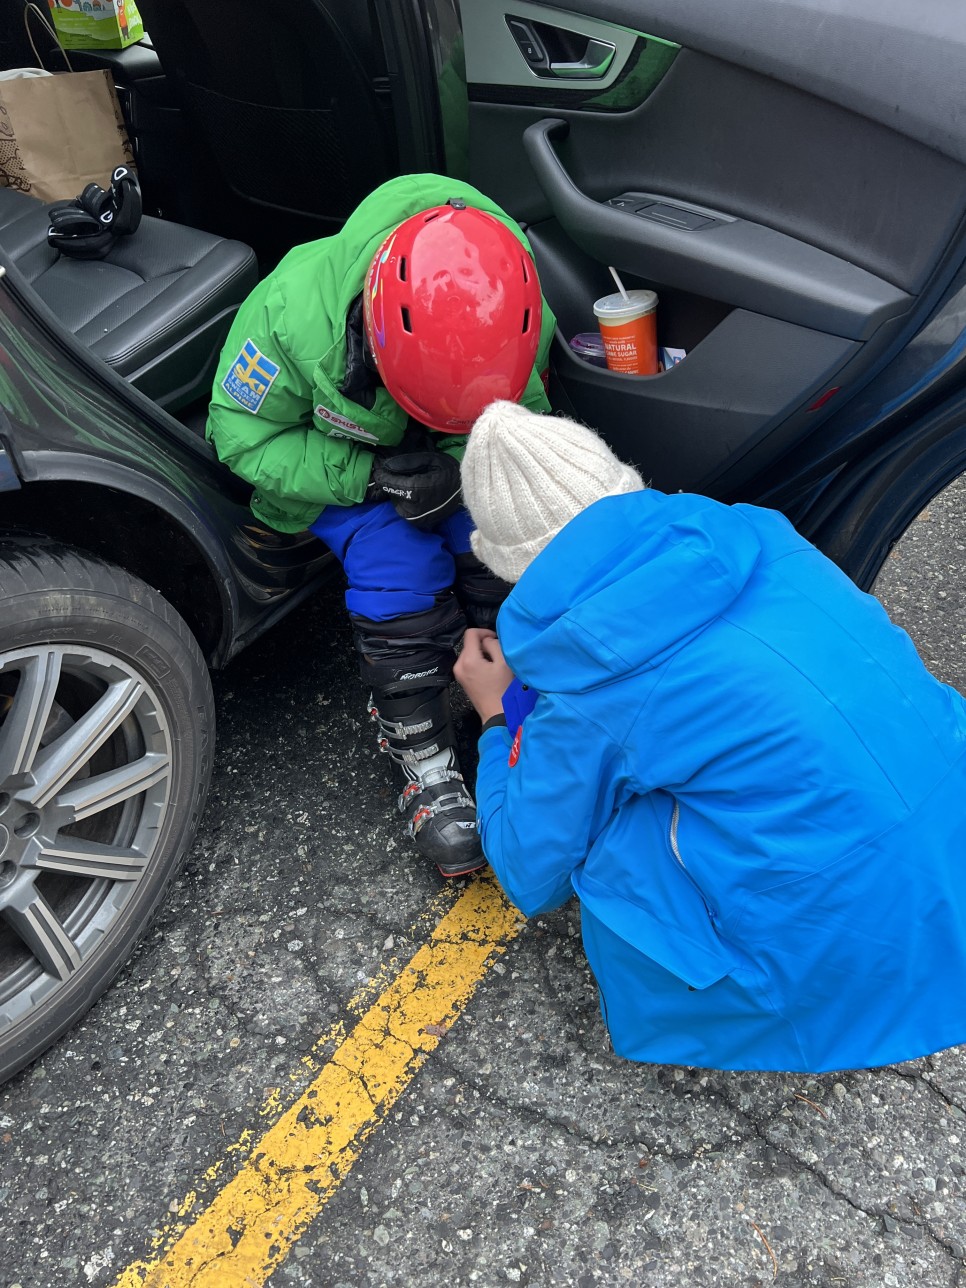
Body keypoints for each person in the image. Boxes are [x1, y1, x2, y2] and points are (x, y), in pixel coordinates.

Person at [454, 400, 966, 1073]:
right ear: (621, 481)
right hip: (947, 844)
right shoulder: (759, 533)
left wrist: (495, 720)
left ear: (509, 566)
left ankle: (764, 1003)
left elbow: (530, 870)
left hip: (846, 956)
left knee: (601, 837)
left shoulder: (591, 682)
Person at [206, 175, 555, 879]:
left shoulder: (517, 307)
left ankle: (523, 706)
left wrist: (458, 471)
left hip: (449, 462)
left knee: (500, 546)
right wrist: (367, 478)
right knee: (400, 568)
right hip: (339, 477)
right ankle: (421, 752)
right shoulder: (288, 317)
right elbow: (239, 437)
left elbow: (521, 428)